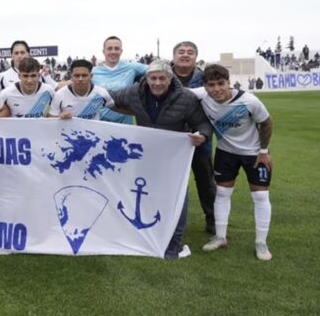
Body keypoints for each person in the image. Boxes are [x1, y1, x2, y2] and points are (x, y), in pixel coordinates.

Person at [109, 59, 212, 259]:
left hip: (174, 158)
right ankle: (148, 234)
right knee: (146, 195)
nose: (157, 83)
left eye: (162, 78)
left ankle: (174, 241)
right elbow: (107, 98)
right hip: (145, 155)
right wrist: (72, 87)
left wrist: (203, 135)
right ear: (146, 79)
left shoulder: (186, 98)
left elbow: (202, 123)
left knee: (178, 197)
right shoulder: (134, 93)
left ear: (170, 78)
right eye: (153, 78)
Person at [192, 64, 275, 261]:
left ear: (229, 82)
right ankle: (220, 237)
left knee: (261, 197)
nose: (217, 89)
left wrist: (264, 151)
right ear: (204, 86)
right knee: (221, 194)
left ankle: (261, 243)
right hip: (226, 152)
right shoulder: (201, 95)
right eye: (211, 85)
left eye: (221, 83)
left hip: (254, 154)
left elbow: (266, 122)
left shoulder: (248, 101)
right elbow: (176, 91)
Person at [172, 41, 217, 234]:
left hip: (200, 137)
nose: (185, 55)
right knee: (169, 180)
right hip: (171, 137)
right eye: (181, 52)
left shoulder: (205, 77)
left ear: (196, 57)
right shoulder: (163, 75)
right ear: (173, 56)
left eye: (190, 52)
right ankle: (168, 218)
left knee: (205, 179)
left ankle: (213, 218)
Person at [91, 36, 148, 124]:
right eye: (109, 49)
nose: (113, 52)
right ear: (103, 51)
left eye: (116, 49)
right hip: (100, 125)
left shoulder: (131, 67)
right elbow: (73, 84)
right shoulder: (93, 71)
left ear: (121, 51)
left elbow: (157, 70)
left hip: (125, 126)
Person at [49, 59, 114, 120]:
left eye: (84, 75)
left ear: (91, 76)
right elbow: (51, 119)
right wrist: (59, 117)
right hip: (68, 132)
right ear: (71, 76)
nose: (80, 79)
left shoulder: (102, 93)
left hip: (93, 132)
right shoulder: (60, 95)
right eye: (77, 75)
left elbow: (112, 107)